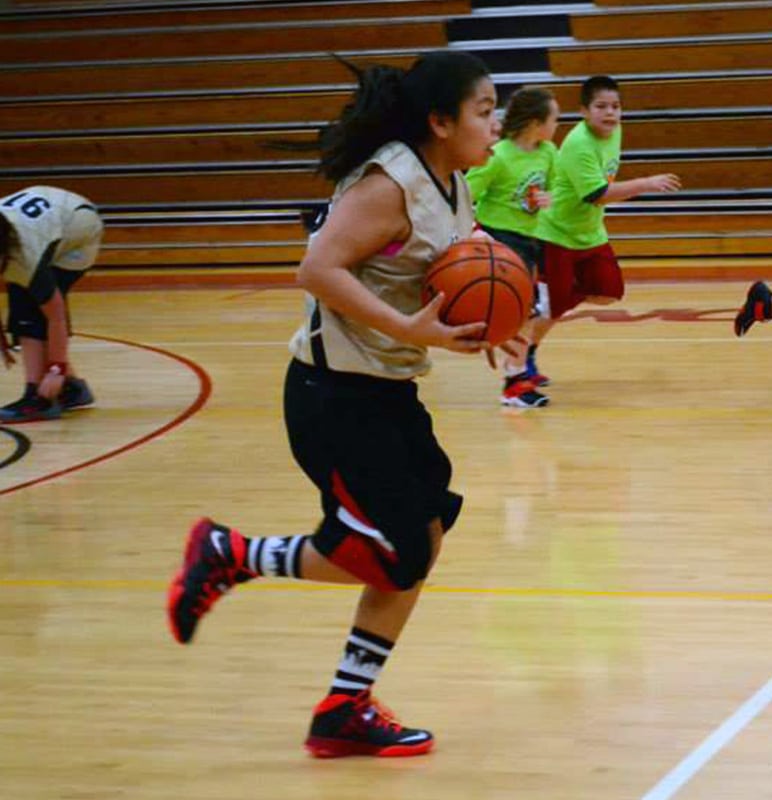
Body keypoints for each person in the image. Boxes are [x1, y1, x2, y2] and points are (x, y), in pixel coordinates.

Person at [166, 51, 514, 758]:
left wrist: (492, 323)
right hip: (333, 396)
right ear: (440, 122)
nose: (496, 120)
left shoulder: (454, 181)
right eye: (484, 109)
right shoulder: (391, 181)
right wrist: (413, 328)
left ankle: (341, 705)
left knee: (420, 541)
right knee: (396, 549)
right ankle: (232, 556)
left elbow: (461, 255)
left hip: (387, 391)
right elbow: (317, 268)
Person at [531, 75, 682, 388]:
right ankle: (528, 353)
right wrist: (645, 183)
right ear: (585, 111)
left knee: (610, 292)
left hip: (590, 231)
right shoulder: (578, 144)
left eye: (615, 106)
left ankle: (546, 294)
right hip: (557, 233)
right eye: (601, 106)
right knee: (555, 308)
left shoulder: (615, 131)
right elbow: (597, 193)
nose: (610, 113)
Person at [466, 86, 559, 409]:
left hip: (532, 239)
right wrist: (475, 232)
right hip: (501, 240)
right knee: (525, 312)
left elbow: (557, 188)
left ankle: (517, 374)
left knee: (531, 311)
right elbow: (464, 195)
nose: (557, 124)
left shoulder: (548, 152)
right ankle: (514, 382)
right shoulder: (498, 156)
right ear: (536, 122)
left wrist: (550, 199)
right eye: (554, 118)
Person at [0, 185, 100, 423]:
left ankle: (39, 398)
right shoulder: (11, 250)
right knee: (23, 301)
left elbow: (56, 316)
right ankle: (72, 389)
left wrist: (56, 368)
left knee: (31, 310)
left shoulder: (25, 258)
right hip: (48, 216)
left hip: (79, 231)